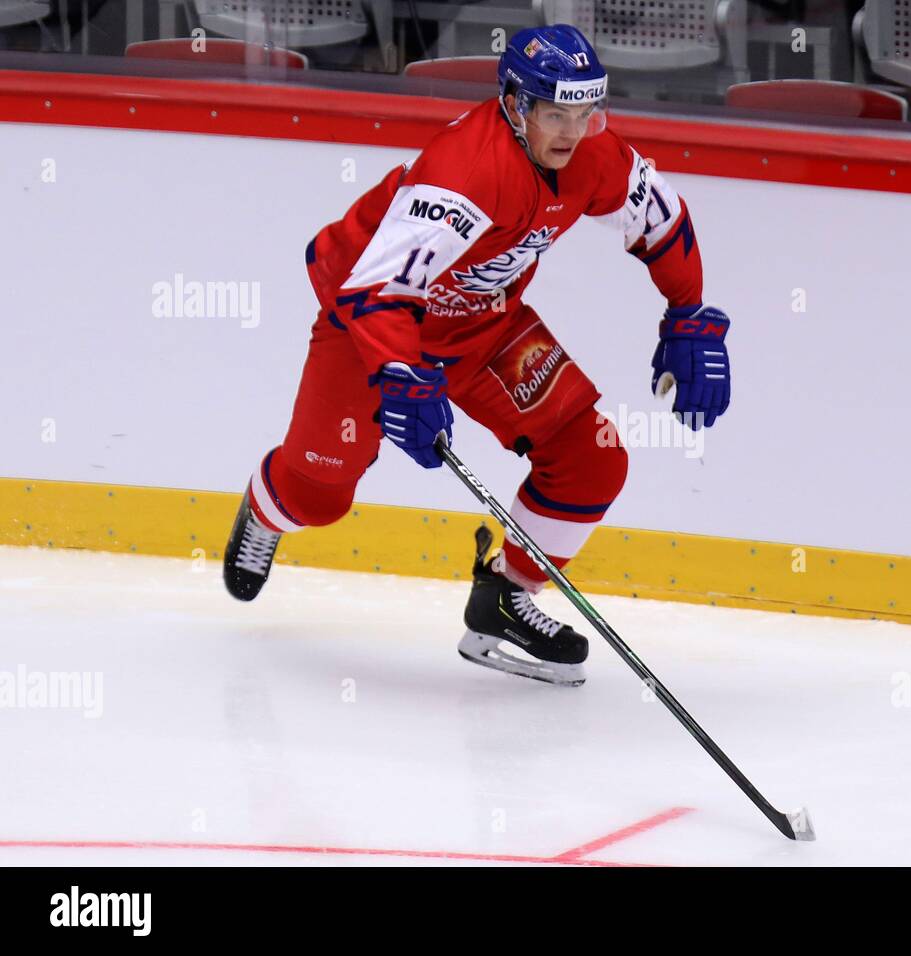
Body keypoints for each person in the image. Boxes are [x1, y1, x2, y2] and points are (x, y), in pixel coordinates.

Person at [221, 24, 732, 686]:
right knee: (319, 495)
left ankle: (505, 599)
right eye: (556, 113)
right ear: (516, 104)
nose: (574, 132)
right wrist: (402, 375)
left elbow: (659, 219)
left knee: (593, 456)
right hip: (370, 326)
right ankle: (266, 506)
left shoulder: (591, 153)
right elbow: (379, 292)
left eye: (587, 112)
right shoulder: (465, 172)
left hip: (486, 329)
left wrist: (687, 312)